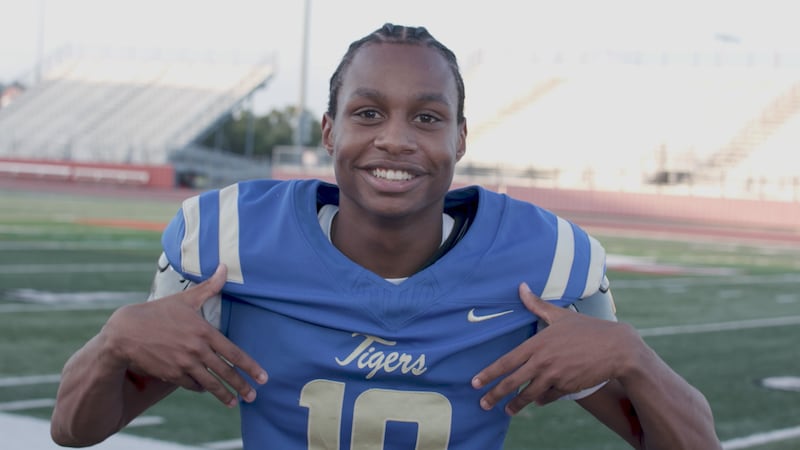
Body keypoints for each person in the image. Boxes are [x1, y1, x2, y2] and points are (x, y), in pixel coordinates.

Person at [50, 23, 721, 449]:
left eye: (427, 118)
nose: (395, 138)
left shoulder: (543, 264)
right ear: (329, 131)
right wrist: (114, 342)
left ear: (460, 138)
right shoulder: (227, 242)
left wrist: (632, 356)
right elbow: (76, 431)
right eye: (367, 112)